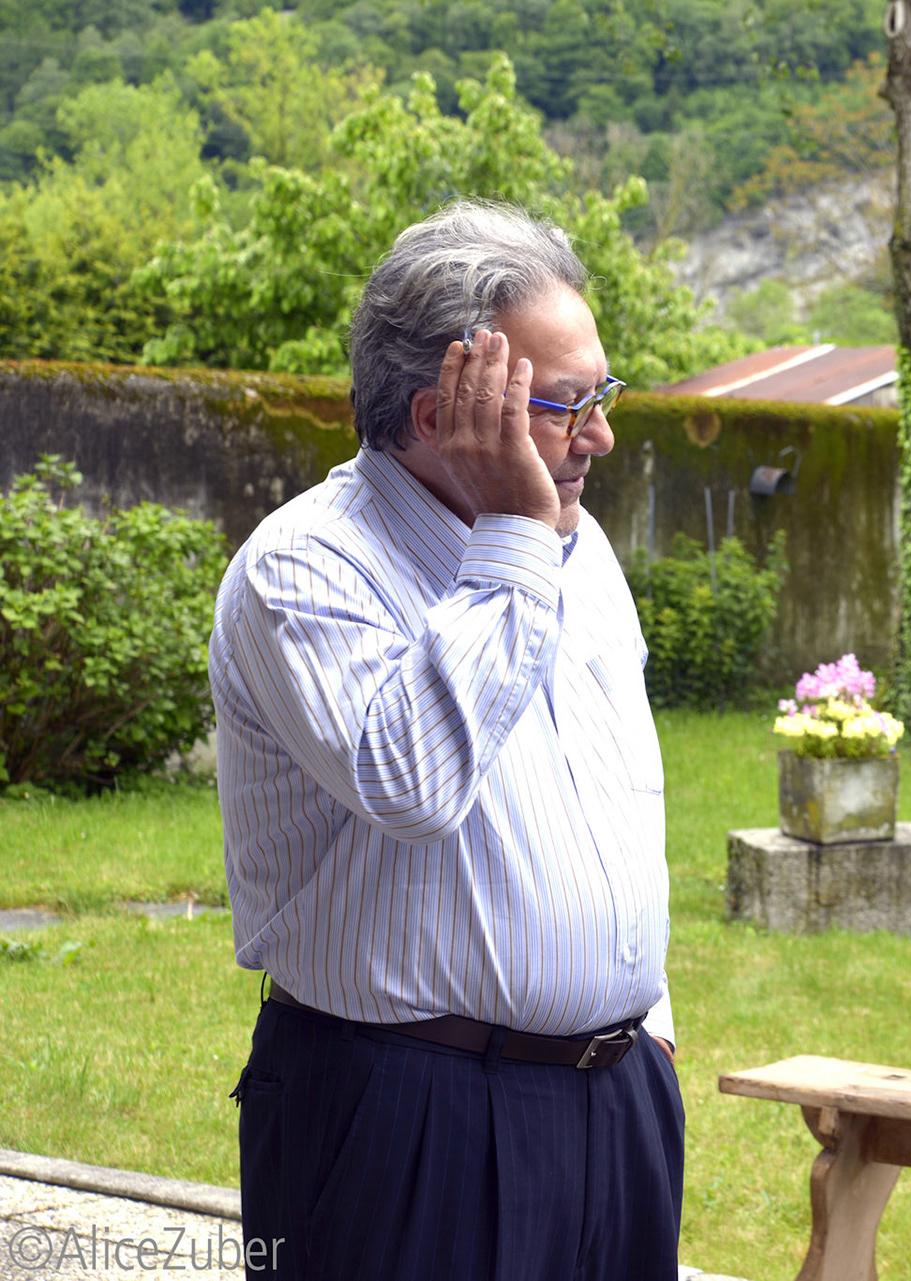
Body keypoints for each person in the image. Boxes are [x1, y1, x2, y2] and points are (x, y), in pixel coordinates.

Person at [212, 200, 682, 1281]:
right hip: (409, 1112)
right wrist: (514, 534)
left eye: (603, 395)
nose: (601, 435)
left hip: (616, 1102)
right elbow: (411, 783)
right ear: (441, 414)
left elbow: (613, 793)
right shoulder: (306, 567)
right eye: (566, 405)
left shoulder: (581, 551)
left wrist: (645, 1018)